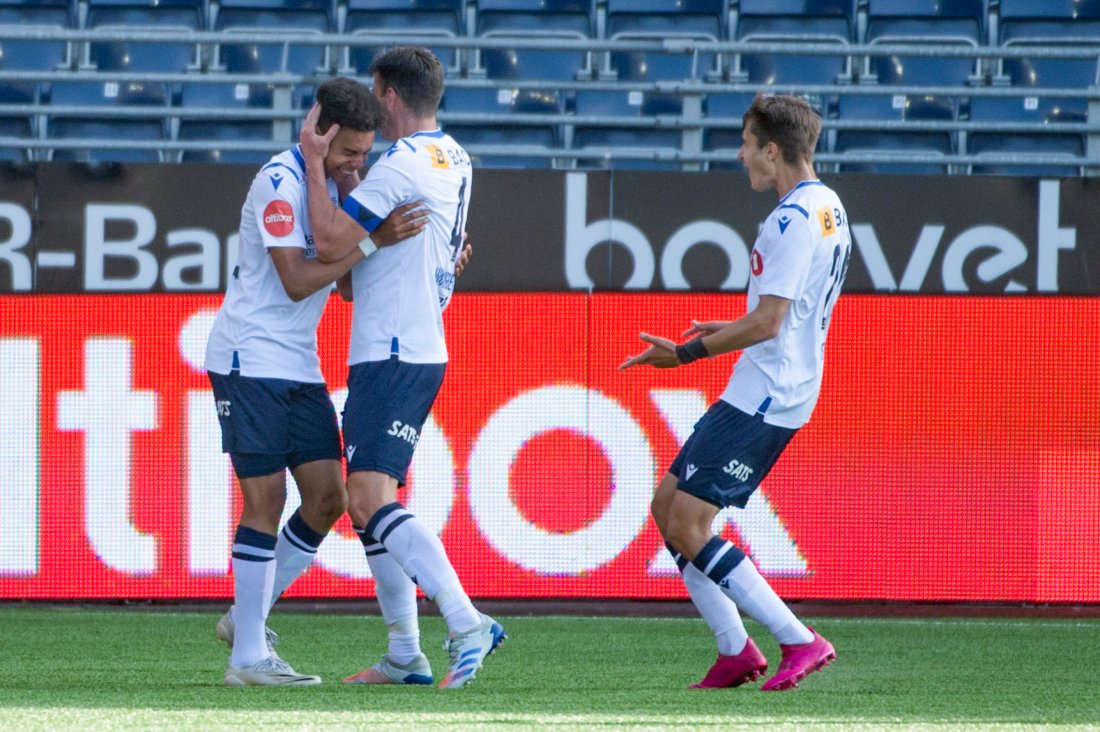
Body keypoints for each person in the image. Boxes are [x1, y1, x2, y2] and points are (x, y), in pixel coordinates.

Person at [620, 93, 850, 692]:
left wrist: (686, 354)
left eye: (748, 143)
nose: (741, 154)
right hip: (774, 381)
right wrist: (728, 328)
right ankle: (734, 650)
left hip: (766, 392)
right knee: (667, 508)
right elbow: (790, 312)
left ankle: (799, 639)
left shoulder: (791, 219)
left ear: (773, 151)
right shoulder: (827, 206)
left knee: (691, 524)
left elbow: (771, 321)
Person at [205, 77, 429, 686]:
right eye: (350, 151)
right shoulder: (280, 180)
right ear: (319, 133)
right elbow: (299, 281)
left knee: (330, 498)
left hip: (298, 364)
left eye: (366, 152)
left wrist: (410, 251)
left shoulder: (332, 188)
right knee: (266, 502)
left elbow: (350, 284)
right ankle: (247, 656)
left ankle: (244, 620)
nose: (361, 162)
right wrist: (374, 239)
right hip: (248, 358)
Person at [298, 46, 504, 691]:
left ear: (386, 93)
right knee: (369, 506)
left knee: (368, 497)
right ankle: (404, 653)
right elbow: (360, 274)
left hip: (392, 348)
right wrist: (367, 217)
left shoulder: (401, 164)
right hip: (408, 339)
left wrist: (313, 166)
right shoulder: (453, 156)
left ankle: (467, 622)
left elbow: (331, 244)